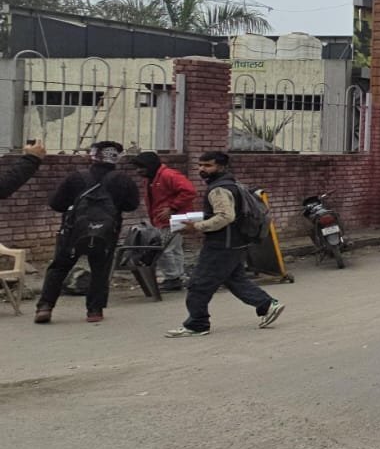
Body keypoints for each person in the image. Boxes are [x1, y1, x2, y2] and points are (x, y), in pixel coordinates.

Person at [165, 151, 283, 338]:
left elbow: (225, 216)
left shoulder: (218, 189)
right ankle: (267, 304)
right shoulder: (231, 184)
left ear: (221, 167)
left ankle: (197, 324)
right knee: (235, 279)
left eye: (208, 165)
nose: (202, 169)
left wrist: (196, 226)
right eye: (200, 165)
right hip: (235, 242)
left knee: (198, 284)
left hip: (221, 244)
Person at [33, 141, 140, 325]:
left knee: (59, 267)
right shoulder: (124, 180)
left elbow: (57, 204)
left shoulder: (76, 177)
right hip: (106, 233)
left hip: (73, 232)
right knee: (100, 270)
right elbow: (131, 205)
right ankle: (94, 311)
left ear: (93, 156)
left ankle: (45, 307)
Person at [130, 151, 197, 291]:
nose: (138, 171)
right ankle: (177, 276)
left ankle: (172, 278)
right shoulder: (152, 178)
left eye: (141, 167)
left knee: (163, 249)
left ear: (150, 165)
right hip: (168, 219)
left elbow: (189, 191)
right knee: (174, 248)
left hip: (172, 219)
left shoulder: (168, 175)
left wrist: (172, 208)